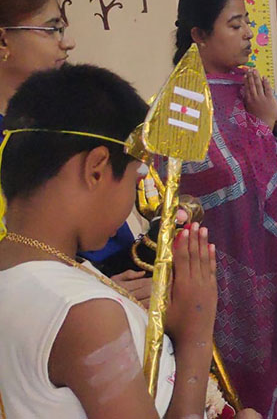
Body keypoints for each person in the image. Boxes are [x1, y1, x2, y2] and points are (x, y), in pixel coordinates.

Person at [0, 64, 260, 418]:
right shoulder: (85, 314)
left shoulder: (26, 269)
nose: (131, 201)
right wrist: (196, 332)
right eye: (136, 180)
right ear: (96, 169)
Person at [170, 0, 277, 418]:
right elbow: (190, 185)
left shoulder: (252, 87)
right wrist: (264, 129)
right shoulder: (182, 104)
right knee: (235, 390)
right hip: (226, 272)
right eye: (234, 24)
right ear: (199, 35)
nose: (246, 34)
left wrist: (274, 121)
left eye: (247, 23)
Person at [0, 0, 148, 302]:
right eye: (51, 28)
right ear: (3, 40)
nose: (67, 43)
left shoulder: (64, 116)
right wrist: (88, 290)